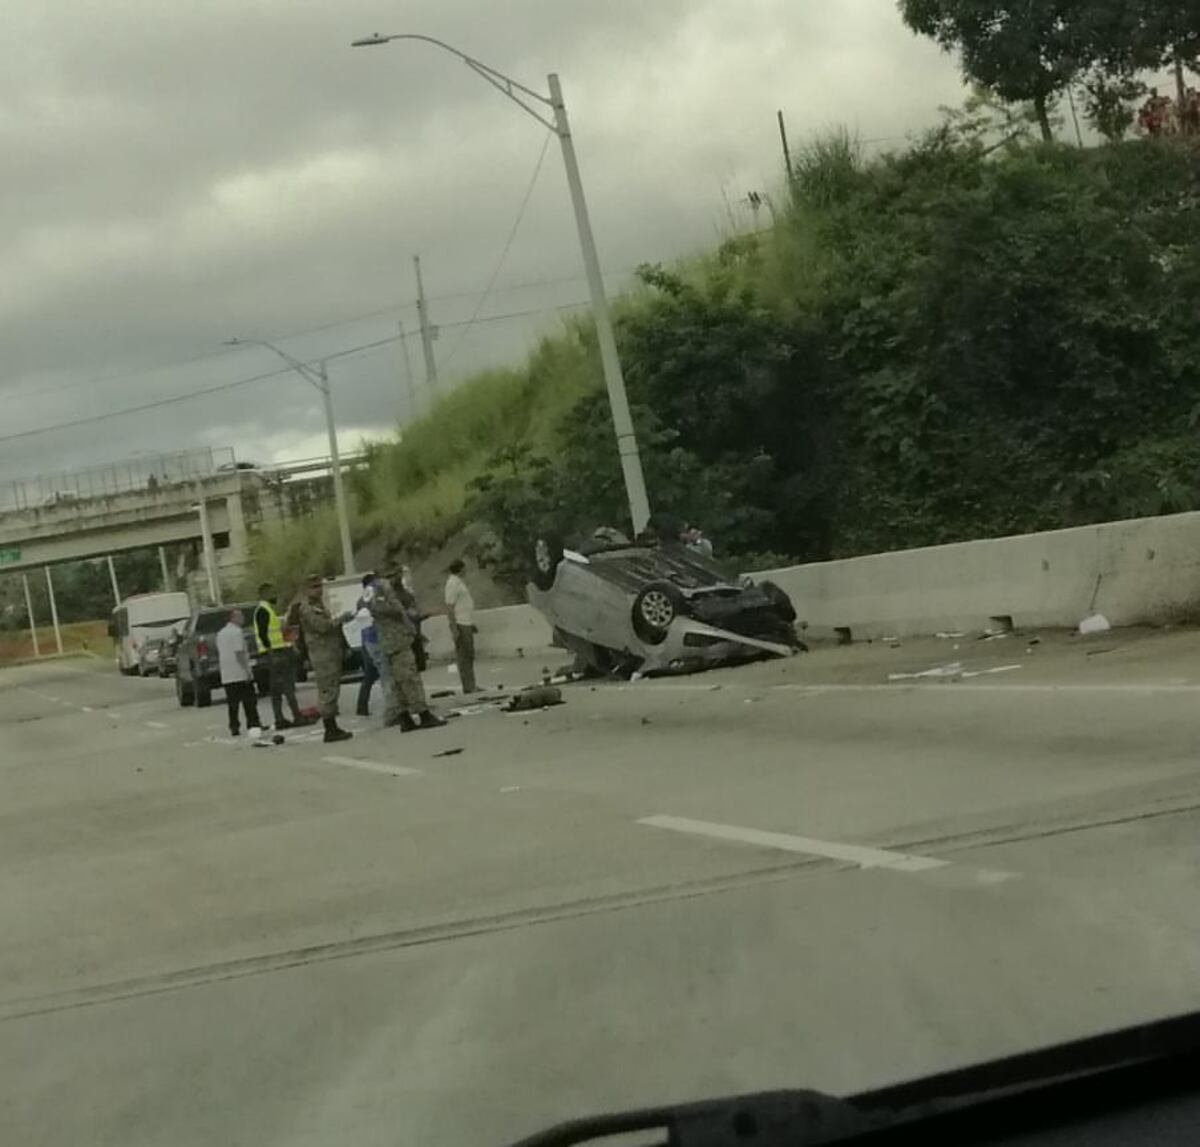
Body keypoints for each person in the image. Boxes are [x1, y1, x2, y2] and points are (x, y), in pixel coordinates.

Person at [372, 566, 445, 731]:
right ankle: (422, 714)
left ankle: (406, 718)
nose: (395, 579)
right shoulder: (382, 594)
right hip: (397, 642)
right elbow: (390, 611)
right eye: (391, 575)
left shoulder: (384, 594)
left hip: (395, 641)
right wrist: (401, 609)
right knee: (409, 679)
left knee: (400, 681)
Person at [296, 574, 354, 744]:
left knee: (332, 690)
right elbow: (322, 627)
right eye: (314, 587)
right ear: (306, 590)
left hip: (330, 652)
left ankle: (333, 726)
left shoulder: (319, 605)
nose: (319, 590)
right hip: (322, 655)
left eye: (320, 586)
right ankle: (330, 728)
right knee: (327, 691)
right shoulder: (307, 609)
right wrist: (341, 619)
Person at [254, 582, 303, 730]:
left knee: (277, 688)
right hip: (274, 654)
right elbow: (263, 634)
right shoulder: (263, 610)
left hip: (276, 653)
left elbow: (275, 632)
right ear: (264, 594)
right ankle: (295, 716)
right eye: (272, 593)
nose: (275, 596)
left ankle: (281, 718)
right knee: (286, 686)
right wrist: (270, 651)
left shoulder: (268, 610)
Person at [217, 608, 261, 738]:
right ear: (233, 618)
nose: (242, 618)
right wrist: (247, 670)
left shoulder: (221, 633)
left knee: (233, 703)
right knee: (249, 700)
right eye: (240, 616)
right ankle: (253, 723)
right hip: (239, 673)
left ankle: (234, 726)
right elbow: (239, 653)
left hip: (227, 674)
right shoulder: (236, 632)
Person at [355, 573, 389, 718]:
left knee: (370, 676)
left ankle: (361, 707)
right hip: (375, 640)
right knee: (380, 675)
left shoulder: (361, 601)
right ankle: (392, 708)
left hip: (367, 641)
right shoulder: (372, 599)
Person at [444, 559, 478, 694]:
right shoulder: (452, 583)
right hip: (460, 623)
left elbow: (463, 604)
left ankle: (471, 684)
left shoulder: (458, 582)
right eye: (464, 568)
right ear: (460, 569)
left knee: (469, 654)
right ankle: (468, 686)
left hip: (466, 621)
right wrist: (453, 627)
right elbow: (450, 607)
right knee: (464, 655)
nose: (466, 571)